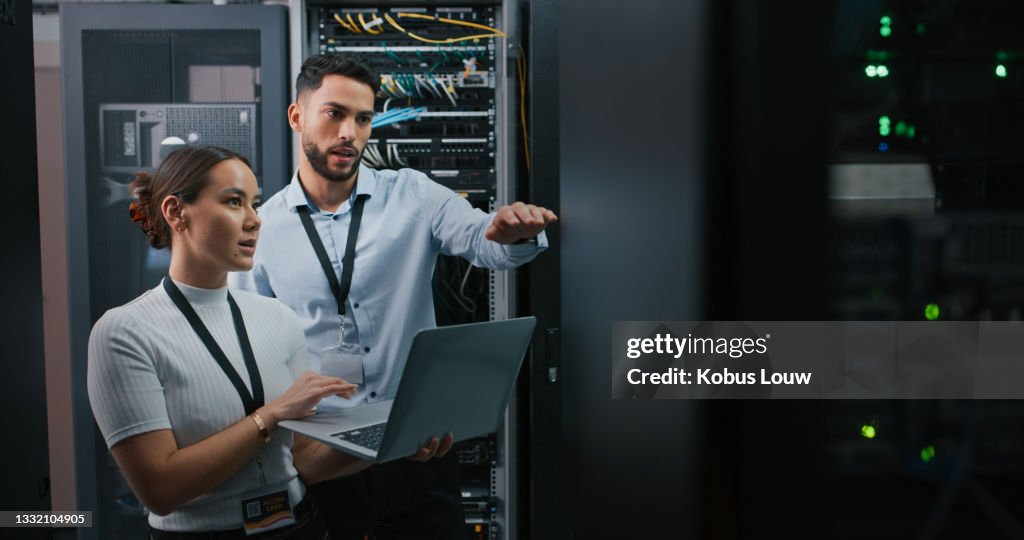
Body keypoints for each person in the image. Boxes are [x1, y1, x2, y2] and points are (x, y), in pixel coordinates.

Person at [229, 54, 556, 539]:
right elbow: (250, 351)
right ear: (297, 116)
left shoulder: (413, 195)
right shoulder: (263, 228)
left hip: (417, 447)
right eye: (334, 114)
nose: (350, 133)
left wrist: (512, 232)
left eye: (363, 119)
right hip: (324, 455)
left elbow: (482, 239)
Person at [87, 146, 450, 539]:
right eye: (233, 202)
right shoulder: (125, 332)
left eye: (255, 204)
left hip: (301, 526)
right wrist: (270, 416)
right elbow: (160, 490)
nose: (254, 220)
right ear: (176, 212)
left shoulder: (278, 317)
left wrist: (395, 441)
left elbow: (304, 462)